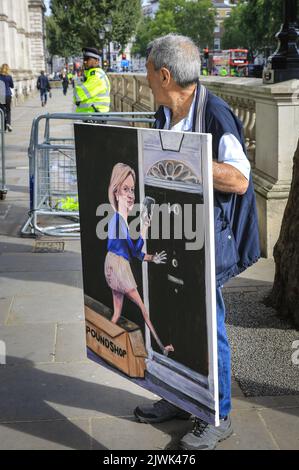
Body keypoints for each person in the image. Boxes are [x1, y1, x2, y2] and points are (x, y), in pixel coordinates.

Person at [133, 34, 260, 451]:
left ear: (165, 74)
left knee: (208, 329)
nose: (146, 78)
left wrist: (188, 160)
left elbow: (240, 179)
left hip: (205, 242)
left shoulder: (216, 113)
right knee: (170, 319)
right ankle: (180, 399)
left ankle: (218, 415)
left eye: (149, 71)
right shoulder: (166, 111)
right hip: (172, 235)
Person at [105, 163, 174, 355]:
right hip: (118, 266)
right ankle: (162, 347)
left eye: (132, 190)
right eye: (125, 189)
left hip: (114, 264)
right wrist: (144, 229)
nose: (130, 194)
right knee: (143, 309)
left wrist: (152, 258)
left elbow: (134, 253)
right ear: (116, 191)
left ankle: (107, 346)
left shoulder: (120, 220)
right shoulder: (118, 220)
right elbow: (134, 249)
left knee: (118, 312)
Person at [74, 47, 110, 113]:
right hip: (91, 114)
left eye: (88, 59)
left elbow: (78, 95)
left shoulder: (96, 76)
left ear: (96, 61)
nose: (85, 61)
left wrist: (78, 81)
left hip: (94, 115)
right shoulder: (92, 74)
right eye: (84, 59)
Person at [0, 64, 14, 132]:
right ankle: (8, 123)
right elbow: (12, 86)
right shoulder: (9, 77)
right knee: (8, 111)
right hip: (8, 95)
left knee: (2, 111)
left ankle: (4, 127)